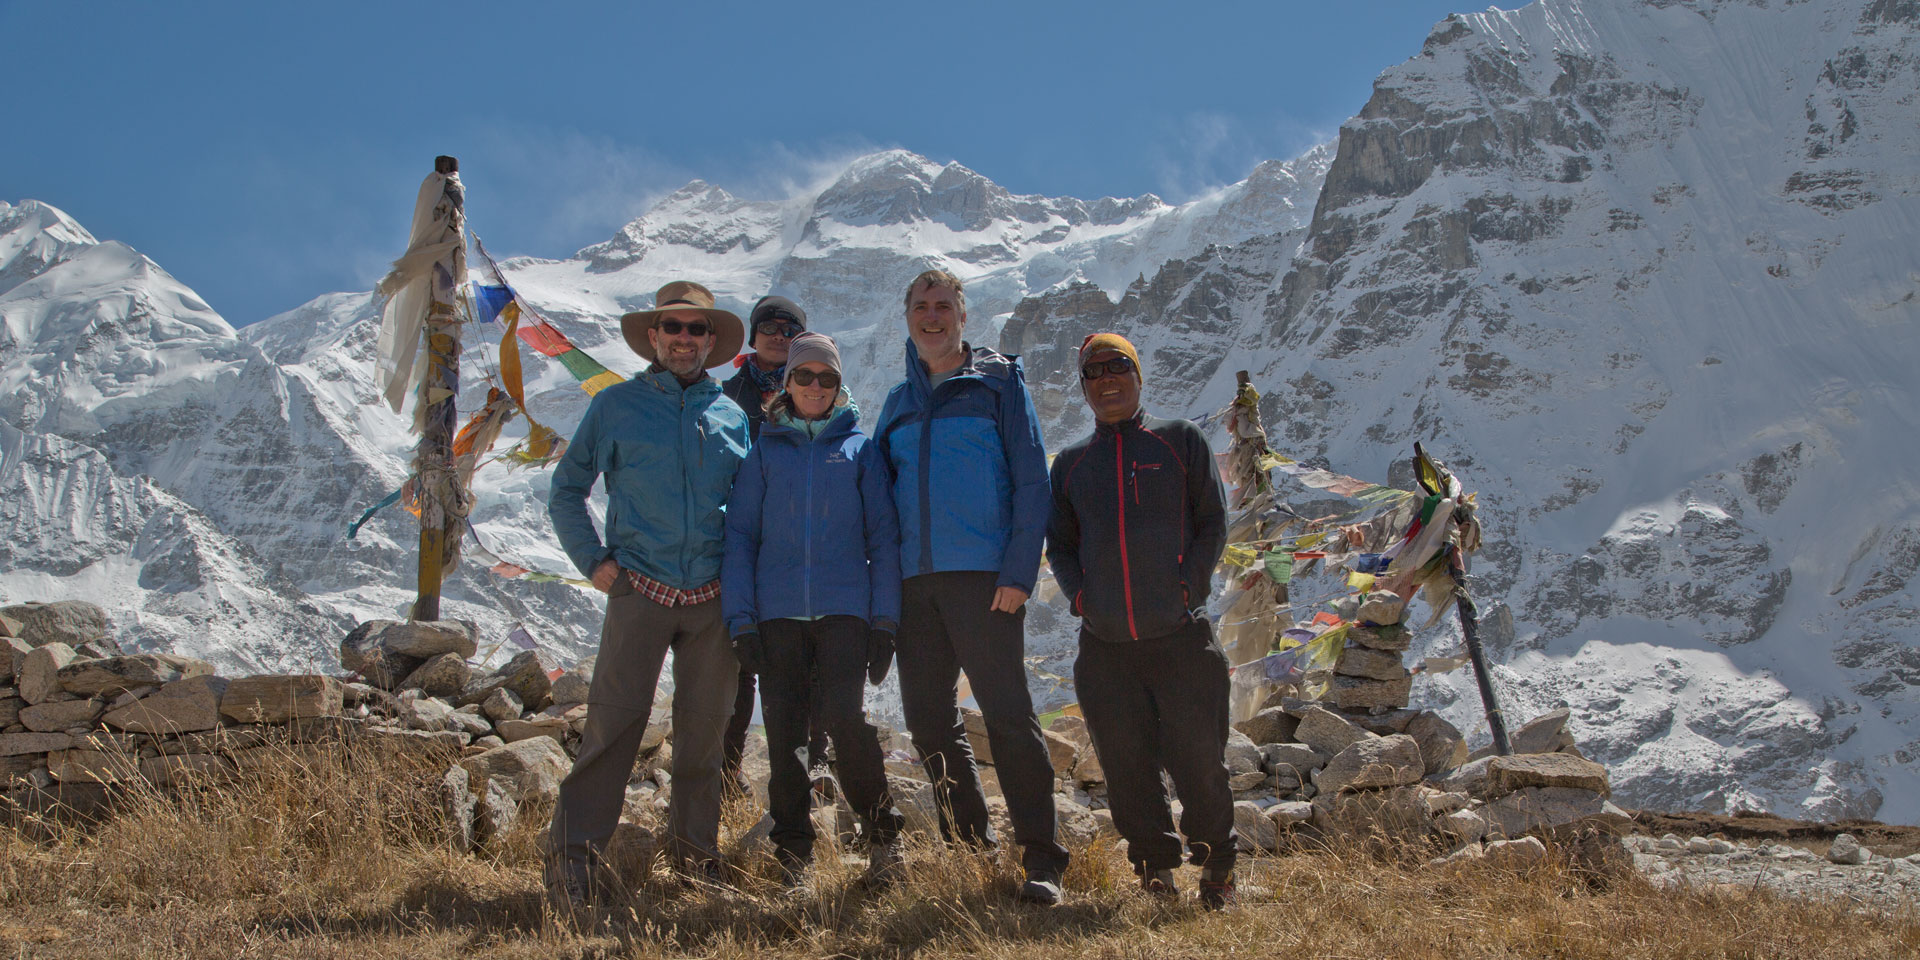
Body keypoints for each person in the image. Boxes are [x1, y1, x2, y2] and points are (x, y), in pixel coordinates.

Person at [545, 280, 750, 909]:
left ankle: (696, 863)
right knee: (612, 728)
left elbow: (748, 508)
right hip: (640, 589)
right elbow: (567, 489)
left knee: (704, 736)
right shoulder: (615, 406)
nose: (684, 338)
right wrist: (595, 563)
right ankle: (572, 869)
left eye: (697, 328)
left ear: (711, 341)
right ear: (654, 336)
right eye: (673, 327)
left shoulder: (732, 416)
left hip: (713, 598)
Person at [873, 269, 1070, 905]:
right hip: (913, 586)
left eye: (943, 306)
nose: (931, 316)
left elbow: (1032, 480)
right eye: (921, 306)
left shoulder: (999, 383)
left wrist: (1018, 572)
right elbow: (877, 501)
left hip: (986, 580)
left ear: (962, 316)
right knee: (930, 721)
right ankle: (967, 848)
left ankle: (1042, 858)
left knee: (1008, 716)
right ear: (908, 316)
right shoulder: (896, 404)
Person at [1044, 333, 1237, 909]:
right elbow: (1061, 547)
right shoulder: (1072, 464)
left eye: (1117, 366)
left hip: (1182, 638)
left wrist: (1187, 589)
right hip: (1105, 648)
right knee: (1126, 769)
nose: (1107, 379)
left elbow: (1213, 522)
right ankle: (1156, 873)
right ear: (1084, 387)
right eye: (1093, 372)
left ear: (1138, 374)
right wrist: (1084, 600)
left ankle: (1217, 871)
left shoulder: (1180, 440)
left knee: (1200, 762)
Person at [722, 331, 906, 889]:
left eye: (827, 377)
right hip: (777, 615)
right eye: (805, 375)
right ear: (788, 382)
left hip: (845, 611)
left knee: (846, 721)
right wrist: (741, 620)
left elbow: (883, 539)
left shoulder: (860, 450)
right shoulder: (763, 452)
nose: (816, 386)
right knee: (785, 734)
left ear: (838, 384)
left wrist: (885, 622)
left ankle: (884, 839)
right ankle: (794, 854)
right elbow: (740, 538)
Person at [717, 295, 827, 796]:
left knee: (809, 657)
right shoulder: (725, 397)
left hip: (801, 544)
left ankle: (815, 767)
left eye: (790, 329)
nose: (779, 335)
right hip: (740, 541)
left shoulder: (819, 392)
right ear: (752, 335)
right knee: (739, 664)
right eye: (769, 327)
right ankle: (726, 773)